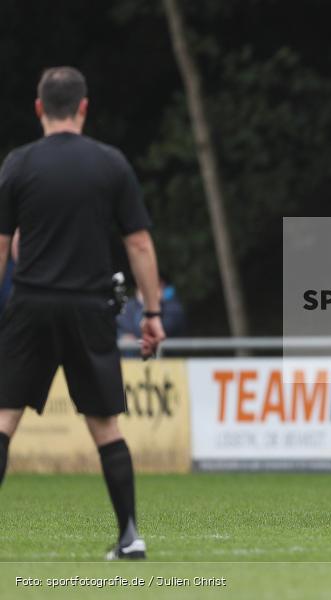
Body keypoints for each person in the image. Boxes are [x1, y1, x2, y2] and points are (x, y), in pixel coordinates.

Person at [0, 67, 165, 560]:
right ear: (84, 107)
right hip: (89, 307)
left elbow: (2, 244)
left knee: (3, 419)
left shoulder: (18, 165)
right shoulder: (110, 164)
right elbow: (137, 241)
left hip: (30, 303)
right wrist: (151, 311)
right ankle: (130, 536)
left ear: (39, 108)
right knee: (105, 426)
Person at [118, 276, 187, 342]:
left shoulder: (173, 306)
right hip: (135, 352)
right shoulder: (130, 305)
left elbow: (167, 328)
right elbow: (123, 328)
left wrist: (153, 304)